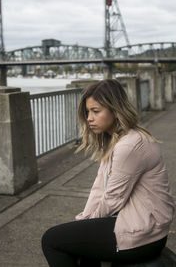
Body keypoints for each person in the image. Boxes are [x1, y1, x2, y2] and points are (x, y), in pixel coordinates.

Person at [42, 79, 175, 267]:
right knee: (76, 241)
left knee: (51, 240)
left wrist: (84, 228)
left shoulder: (130, 145)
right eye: (88, 112)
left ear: (115, 110)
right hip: (140, 225)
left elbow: (113, 199)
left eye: (96, 111)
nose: (89, 118)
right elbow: (98, 189)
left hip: (145, 235)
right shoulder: (115, 139)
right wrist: (83, 223)